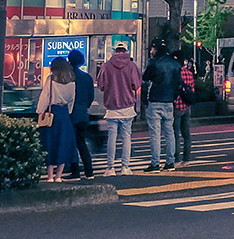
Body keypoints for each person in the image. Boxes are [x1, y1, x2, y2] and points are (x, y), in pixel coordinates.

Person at [94, 44, 142, 175]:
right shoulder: (131, 66)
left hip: (112, 107)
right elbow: (136, 84)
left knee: (112, 137)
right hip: (127, 106)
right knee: (126, 137)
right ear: (126, 51)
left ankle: (110, 168)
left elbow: (101, 85)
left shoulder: (106, 66)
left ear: (115, 51)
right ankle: (125, 167)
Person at [36, 58, 80, 183]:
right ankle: (58, 176)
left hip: (52, 113)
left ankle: (50, 176)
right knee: (64, 144)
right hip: (64, 113)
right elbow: (72, 99)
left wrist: (40, 111)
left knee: (50, 144)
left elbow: (45, 97)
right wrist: (68, 111)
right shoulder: (72, 82)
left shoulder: (51, 79)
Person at [142, 46, 182, 172]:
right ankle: (170, 162)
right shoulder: (175, 64)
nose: (151, 51)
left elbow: (145, 77)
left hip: (155, 100)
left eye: (153, 49)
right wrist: (174, 96)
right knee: (170, 132)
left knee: (155, 133)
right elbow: (179, 84)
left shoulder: (154, 63)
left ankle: (155, 163)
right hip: (169, 100)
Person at [67, 49, 98, 180]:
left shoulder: (68, 77)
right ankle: (89, 171)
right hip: (83, 114)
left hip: (71, 114)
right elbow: (91, 97)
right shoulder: (87, 77)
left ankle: (75, 171)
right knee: (81, 143)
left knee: (72, 143)